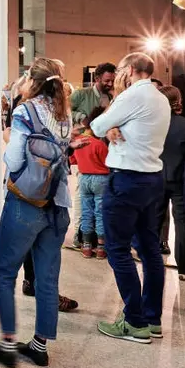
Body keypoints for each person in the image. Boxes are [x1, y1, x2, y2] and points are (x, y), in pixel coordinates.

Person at [0, 58, 74, 368]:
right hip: (58, 203)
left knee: (5, 272)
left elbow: (13, 157)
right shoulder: (65, 114)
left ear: (30, 79)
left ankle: (8, 343)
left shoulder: (26, 111)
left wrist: (9, 139)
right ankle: (39, 346)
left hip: (26, 202)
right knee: (47, 278)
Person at [91, 53, 171, 344]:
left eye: (122, 69)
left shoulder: (131, 96)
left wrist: (111, 123)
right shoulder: (160, 97)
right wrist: (116, 127)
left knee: (117, 250)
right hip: (152, 180)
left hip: (126, 180)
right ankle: (152, 319)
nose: (119, 74)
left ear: (132, 70)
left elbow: (98, 126)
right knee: (150, 250)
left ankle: (134, 322)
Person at [7, 76, 79, 312]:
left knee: (35, 237)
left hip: (36, 185)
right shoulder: (31, 109)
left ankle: (33, 283)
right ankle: (43, 290)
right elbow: (16, 152)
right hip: (40, 185)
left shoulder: (48, 111)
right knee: (45, 244)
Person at [68, 63, 116, 248]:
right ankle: (81, 236)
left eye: (112, 80)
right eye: (107, 80)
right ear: (97, 79)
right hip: (85, 145)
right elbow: (65, 110)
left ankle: (94, 240)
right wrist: (82, 117)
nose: (110, 83)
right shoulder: (81, 95)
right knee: (84, 200)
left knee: (96, 204)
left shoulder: (112, 96)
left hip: (105, 146)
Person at [156, 85, 185, 280]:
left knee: (153, 223)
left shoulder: (151, 123)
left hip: (154, 178)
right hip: (180, 179)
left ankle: (151, 264)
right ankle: (184, 270)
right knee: (182, 224)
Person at [69, 107, 109, 259]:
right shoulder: (99, 144)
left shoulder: (78, 141)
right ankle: (101, 247)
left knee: (86, 212)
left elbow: (72, 159)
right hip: (100, 180)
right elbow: (108, 163)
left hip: (83, 177)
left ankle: (86, 246)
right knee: (100, 213)